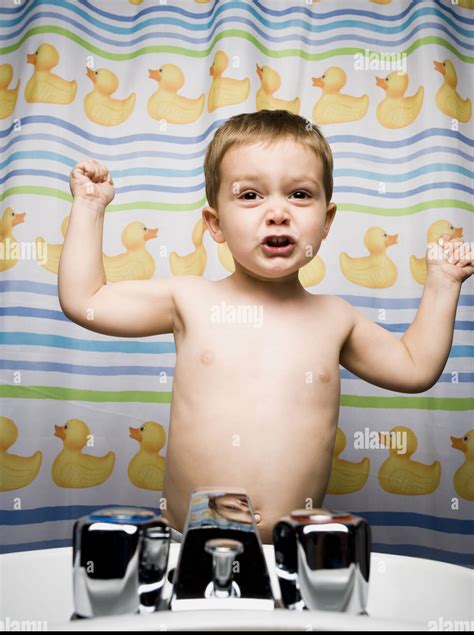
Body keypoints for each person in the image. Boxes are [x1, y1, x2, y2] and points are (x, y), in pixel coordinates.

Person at [58, 109, 473, 544]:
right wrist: (89, 207)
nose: (277, 213)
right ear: (216, 224)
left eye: (299, 194)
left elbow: (414, 368)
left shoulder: (335, 317)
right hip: (190, 545)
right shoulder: (189, 299)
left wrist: (442, 284)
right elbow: (85, 300)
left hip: (293, 552)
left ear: (326, 221)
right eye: (251, 195)